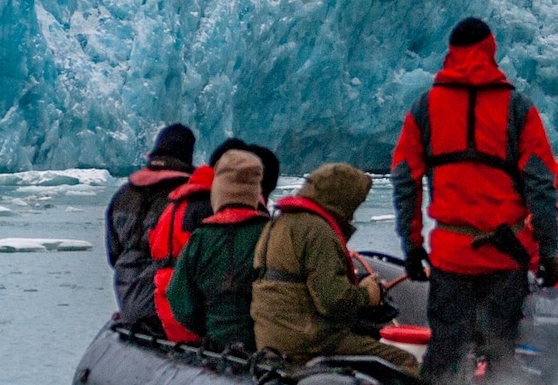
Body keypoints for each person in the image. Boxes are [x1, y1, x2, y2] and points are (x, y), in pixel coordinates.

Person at [389, 17, 558, 385]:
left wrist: (412, 246)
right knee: (503, 354)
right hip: (506, 256)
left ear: (451, 51)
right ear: (491, 50)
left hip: (451, 256)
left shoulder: (426, 107)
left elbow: (405, 178)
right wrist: (549, 253)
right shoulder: (517, 108)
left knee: (446, 351)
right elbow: (541, 185)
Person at [251, 163, 419, 372]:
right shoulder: (316, 230)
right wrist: (368, 293)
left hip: (271, 337)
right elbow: (333, 301)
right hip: (309, 340)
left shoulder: (277, 224)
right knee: (403, 361)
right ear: (342, 198)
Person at [151, 139, 277, 344]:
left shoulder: (201, 237)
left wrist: (205, 327)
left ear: (218, 189)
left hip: (214, 338)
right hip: (260, 343)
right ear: (256, 191)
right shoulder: (271, 233)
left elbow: (177, 296)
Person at [105, 124, 195, 329]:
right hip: (168, 310)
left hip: (127, 299)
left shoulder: (122, 195)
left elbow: (114, 255)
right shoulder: (188, 198)